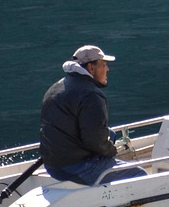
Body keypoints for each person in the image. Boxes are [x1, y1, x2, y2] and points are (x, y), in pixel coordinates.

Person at [39, 45, 145, 184]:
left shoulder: (55, 88)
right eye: (104, 65)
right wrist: (112, 151)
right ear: (91, 68)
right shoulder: (90, 95)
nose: (107, 69)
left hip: (53, 165)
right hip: (75, 167)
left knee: (110, 133)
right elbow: (94, 140)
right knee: (140, 174)